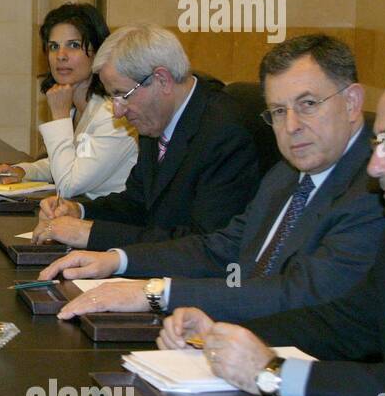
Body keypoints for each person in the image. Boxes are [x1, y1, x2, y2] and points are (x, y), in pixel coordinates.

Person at [158, 63, 385, 396]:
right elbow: (348, 323)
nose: (375, 165)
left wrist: (274, 373)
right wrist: (223, 336)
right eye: (377, 144)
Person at [42, 35, 385, 323]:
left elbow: (299, 294)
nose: (292, 126)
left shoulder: (373, 189)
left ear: (353, 102)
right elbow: (223, 247)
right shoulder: (287, 172)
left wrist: (156, 293)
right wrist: (117, 260)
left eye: (308, 104)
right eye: (279, 111)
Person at [32, 24, 262, 250]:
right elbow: (138, 204)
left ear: (162, 79)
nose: (119, 111)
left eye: (122, 95)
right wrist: (80, 212)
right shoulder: (154, 119)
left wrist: (92, 233)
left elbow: (206, 242)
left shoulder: (224, 133)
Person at [0, 3, 136, 199]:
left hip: (112, 223)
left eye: (74, 45)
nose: (61, 56)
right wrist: (22, 171)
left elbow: (68, 185)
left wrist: (59, 116)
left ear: (98, 52)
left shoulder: (113, 117)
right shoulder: (79, 107)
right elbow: (66, 162)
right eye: (54, 47)